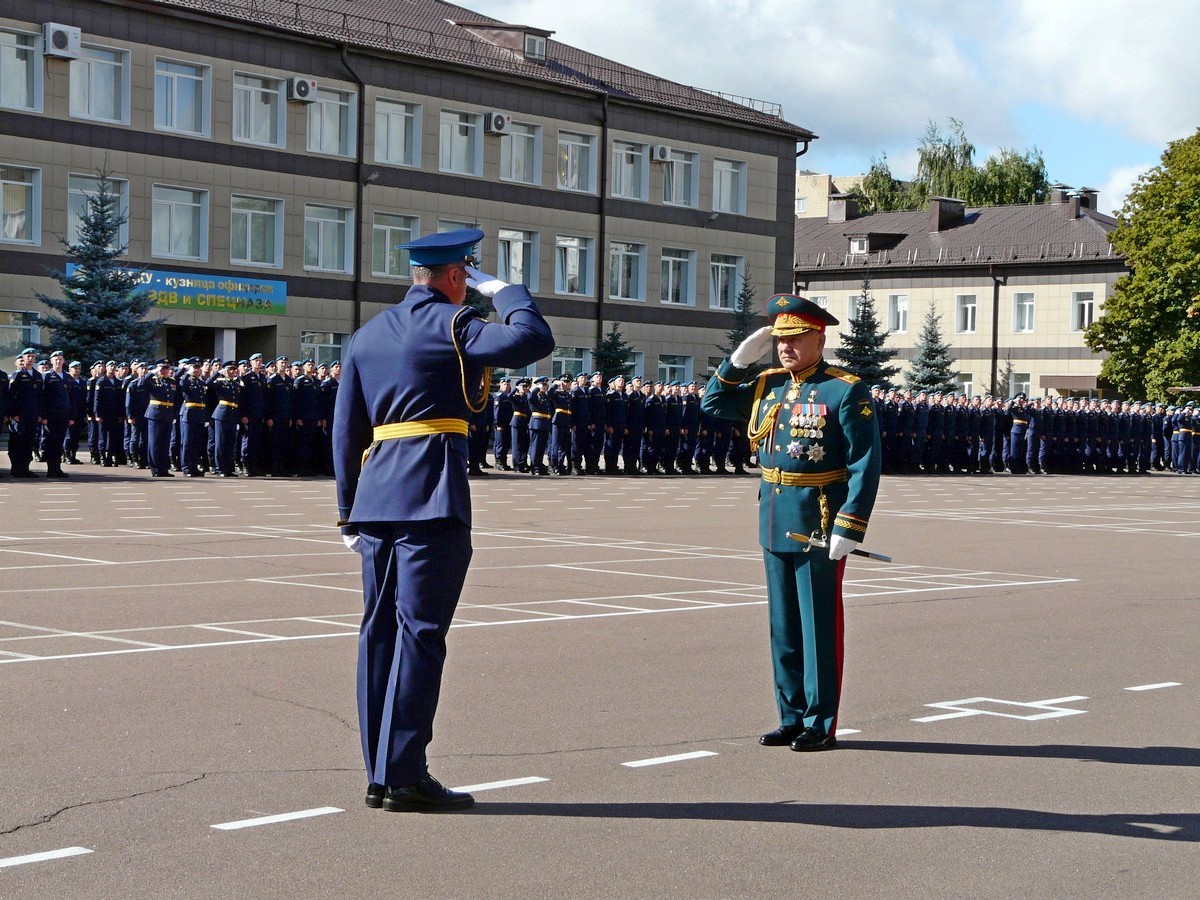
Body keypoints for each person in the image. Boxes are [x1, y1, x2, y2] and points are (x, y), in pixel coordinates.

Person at [333, 228, 553, 813]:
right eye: (469, 278)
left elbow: (347, 427)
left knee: (378, 634)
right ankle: (405, 774)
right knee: (421, 635)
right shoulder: (453, 325)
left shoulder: (367, 333)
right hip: (431, 494)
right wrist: (507, 292)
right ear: (457, 277)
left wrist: (347, 510)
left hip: (375, 499)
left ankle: (380, 773)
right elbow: (533, 339)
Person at [702, 293, 881, 752]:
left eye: (795, 338)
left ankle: (820, 724)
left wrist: (851, 524)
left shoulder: (845, 389)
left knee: (818, 626)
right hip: (775, 516)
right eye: (780, 339)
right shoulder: (769, 385)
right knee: (783, 626)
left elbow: (865, 461)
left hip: (820, 520)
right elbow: (713, 403)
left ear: (819, 338)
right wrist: (739, 361)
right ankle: (791, 715)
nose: (785, 347)